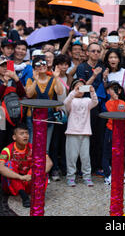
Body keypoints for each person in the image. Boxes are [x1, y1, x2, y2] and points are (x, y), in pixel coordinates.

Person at [0, 123, 52, 207]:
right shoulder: (7, 150)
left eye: (27, 133)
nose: (25, 136)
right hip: (13, 185)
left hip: (29, 180)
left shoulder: (34, 148)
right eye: (21, 134)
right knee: (8, 164)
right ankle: (24, 197)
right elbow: (1, 168)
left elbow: (49, 163)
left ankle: (37, 194)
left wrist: (32, 174)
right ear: (14, 137)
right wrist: (20, 177)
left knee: (40, 164)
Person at [76, 42, 106, 175]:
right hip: (85, 106)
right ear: (87, 53)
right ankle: (81, 168)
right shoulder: (82, 67)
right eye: (93, 51)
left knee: (97, 137)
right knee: (83, 137)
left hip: (99, 106)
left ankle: (95, 166)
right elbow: (80, 89)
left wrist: (104, 79)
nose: (96, 53)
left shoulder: (102, 66)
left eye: (98, 51)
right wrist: (94, 76)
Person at [25, 56, 64, 151]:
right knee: (32, 145)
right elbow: (29, 94)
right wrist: (35, 80)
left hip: (48, 116)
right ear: (34, 68)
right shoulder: (30, 80)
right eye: (38, 64)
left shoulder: (52, 79)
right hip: (33, 116)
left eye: (43, 63)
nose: (41, 66)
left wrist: (57, 77)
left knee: (45, 147)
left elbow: (60, 92)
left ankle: (43, 165)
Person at [64, 80, 98, 187]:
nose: (80, 89)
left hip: (85, 132)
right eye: (78, 87)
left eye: (82, 87)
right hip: (72, 132)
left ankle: (87, 177)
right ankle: (70, 177)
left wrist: (92, 91)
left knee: (85, 157)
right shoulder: (71, 100)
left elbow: (95, 102)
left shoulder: (87, 100)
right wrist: (74, 92)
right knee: (71, 156)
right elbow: (65, 102)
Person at [102, 81, 125, 185]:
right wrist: (114, 99)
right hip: (110, 130)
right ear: (108, 91)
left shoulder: (122, 103)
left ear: (119, 90)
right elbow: (112, 113)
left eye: (116, 89)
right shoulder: (107, 103)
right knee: (107, 153)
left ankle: (118, 174)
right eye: (111, 89)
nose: (114, 91)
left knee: (119, 153)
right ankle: (108, 175)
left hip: (120, 132)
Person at [49, 54, 71, 182]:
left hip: (68, 113)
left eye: (66, 64)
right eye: (61, 64)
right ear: (56, 65)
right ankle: (54, 168)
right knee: (55, 142)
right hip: (56, 114)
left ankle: (64, 166)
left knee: (65, 142)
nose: (64, 66)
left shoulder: (69, 77)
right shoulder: (51, 77)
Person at [0, 55, 27, 150]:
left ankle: (10, 163)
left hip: (15, 116)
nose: (5, 68)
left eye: (7, 66)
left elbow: (22, 94)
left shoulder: (15, 80)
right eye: (2, 66)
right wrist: (4, 84)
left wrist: (16, 78)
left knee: (12, 143)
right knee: (1, 142)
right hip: (1, 119)